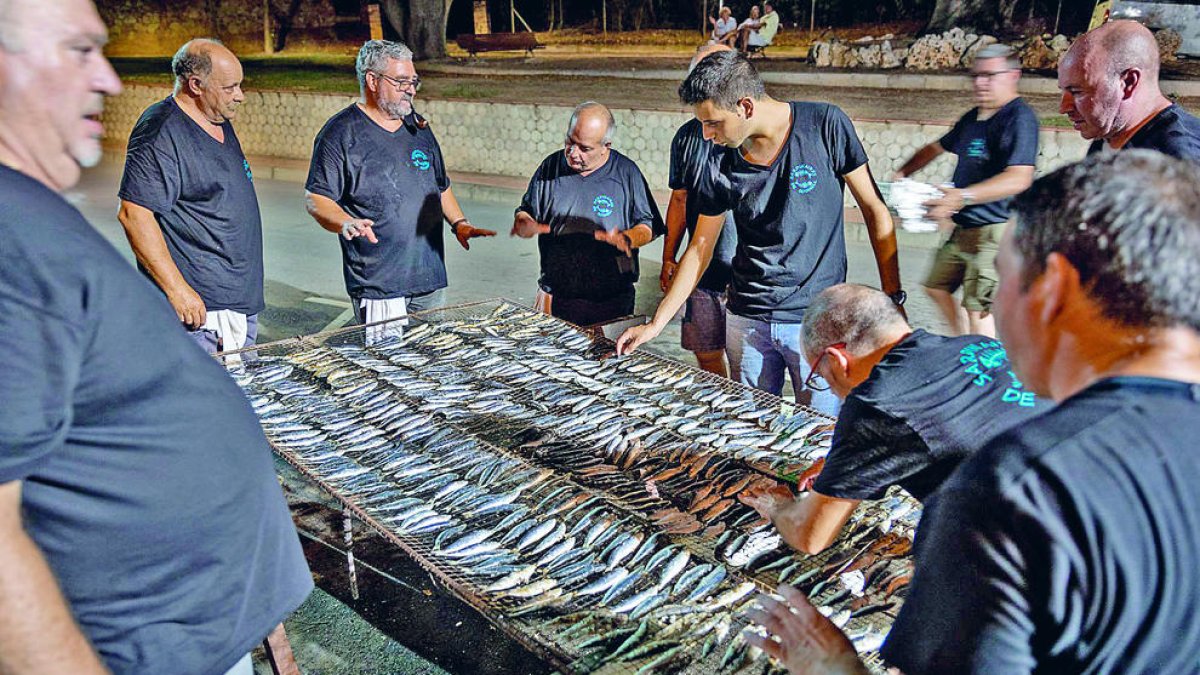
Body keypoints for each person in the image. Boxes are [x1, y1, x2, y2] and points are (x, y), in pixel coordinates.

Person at [745, 150, 1200, 673]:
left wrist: (833, 665)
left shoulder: (1004, 495)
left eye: (1000, 277)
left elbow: (812, 535)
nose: (985, 308)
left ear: (1052, 289)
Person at [0, 1, 313, 673]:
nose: (109, 80)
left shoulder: (26, 211)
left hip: (205, 625)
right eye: (81, 51)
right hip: (159, 642)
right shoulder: (9, 239)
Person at [617, 51, 901, 415]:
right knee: (752, 426)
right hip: (747, 319)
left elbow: (875, 211)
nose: (707, 134)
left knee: (821, 429)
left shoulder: (825, 124)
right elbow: (700, 248)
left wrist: (894, 299)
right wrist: (657, 323)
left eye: (713, 123)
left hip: (817, 319)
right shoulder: (718, 160)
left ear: (746, 107)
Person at [740, 283, 1048, 555]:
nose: (832, 391)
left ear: (837, 359)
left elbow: (811, 538)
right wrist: (849, 462)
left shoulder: (875, 404)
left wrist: (778, 506)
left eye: (821, 378)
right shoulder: (976, 345)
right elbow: (942, 428)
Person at [305, 39, 495, 342]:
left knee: (433, 360)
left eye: (414, 80)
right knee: (389, 368)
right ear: (372, 80)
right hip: (380, 283)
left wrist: (460, 224)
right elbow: (317, 197)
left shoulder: (417, 127)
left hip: (430, 278)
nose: (412, 89)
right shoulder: (340, 134)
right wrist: (345, 222)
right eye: (402, 81)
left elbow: (440, 185)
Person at [118, 39, 265, 353]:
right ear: (196, 84)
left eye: (240, 86)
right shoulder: (161, 131)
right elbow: (134, 214)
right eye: (229, 88)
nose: (240, 96)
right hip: (200, 314)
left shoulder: (216, 119)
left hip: (237, 302)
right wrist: (178, 291)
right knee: (199, 400)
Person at [895, 45, 1038, 337]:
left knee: (979, 311)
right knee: (935, 287)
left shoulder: (1019, 119)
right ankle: (964, 347)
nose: (979, 83)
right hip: (963, 229)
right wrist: (903, 172)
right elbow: (936, 147)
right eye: (975, 76)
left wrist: (961, 196)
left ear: (1013, 75)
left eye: (989, 76)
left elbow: (1019, 177)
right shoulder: (973, 118)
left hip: (995, 232)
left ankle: (986, 373)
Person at [512, 102, 665, 327]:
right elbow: (527, 210)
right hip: (555, 296)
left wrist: (627, 238)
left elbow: (648, 226)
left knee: (606, 361)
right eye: (569, 142)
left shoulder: (626, 173)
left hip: (612, 301)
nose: (573, 154)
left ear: (606, 146)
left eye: (584, 148)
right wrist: (524, 222)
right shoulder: (550, 167)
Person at [662, 43, 738, 376]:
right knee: (706, 355)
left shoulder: (753, 137)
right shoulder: (686, 138)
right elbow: (679, 199)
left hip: (748, 278)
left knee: (750, 363)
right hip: (703, 271)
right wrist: (668, 257)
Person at [1060, 19, 1200, 161]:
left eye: (1077, 92)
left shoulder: (1178, 159)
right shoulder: (1110, 131)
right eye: (1063, 90)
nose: (1064, 108)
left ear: (1128, 82)